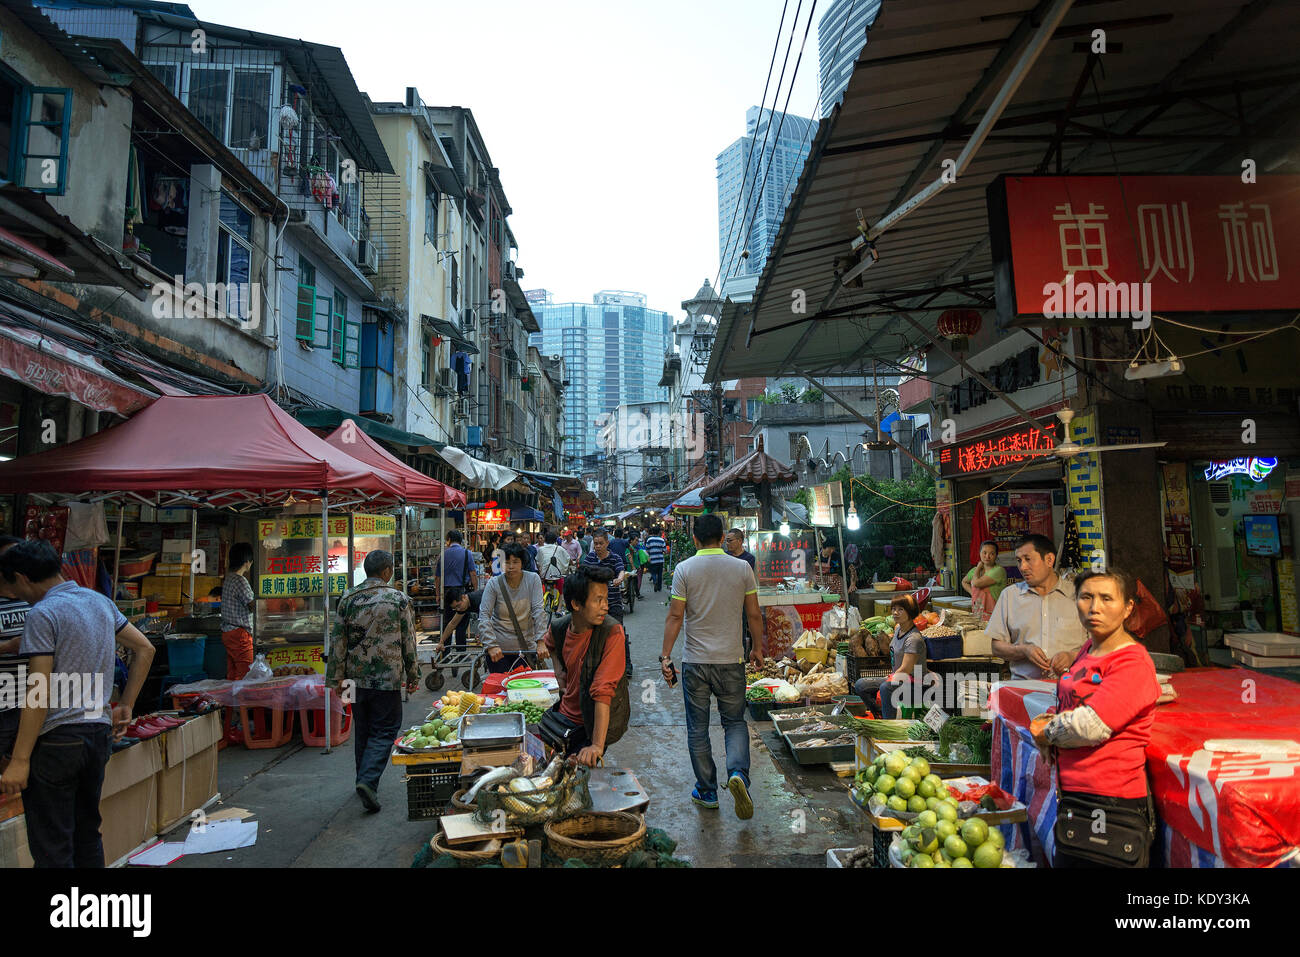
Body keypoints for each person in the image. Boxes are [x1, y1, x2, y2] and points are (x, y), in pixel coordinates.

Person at [0, 540, 155, 866]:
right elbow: (145, 650)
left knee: (53, 846)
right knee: (86, 835)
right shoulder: (98, 602)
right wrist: (125, 704)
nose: (14, 595)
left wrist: (20, 759)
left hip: (58, 740)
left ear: (22, 577)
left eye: (11, 587)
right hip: (96, 736)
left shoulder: (43, 613)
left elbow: (38, 688)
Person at [1031, 568, 1160, 868]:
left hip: (1111, 801)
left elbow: (1090, 726)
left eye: (1106, 598)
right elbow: (1068, 702)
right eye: (1086, 597)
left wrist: (1046, 732)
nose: (1094, 607)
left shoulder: (1133, 661)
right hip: (1075, 797)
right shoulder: (1089, 649)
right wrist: (1050, 724)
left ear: (1128, 607)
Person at [661, 514, 765, 819]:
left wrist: (665, 656)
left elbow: (675, 617)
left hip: (695, 661)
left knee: (698, 728)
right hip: (731, 660)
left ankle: (706, 790)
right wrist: (756, 648)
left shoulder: (684, 569)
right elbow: (755, 615)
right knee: (734, 722)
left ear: (695, 539)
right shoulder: (742, 567)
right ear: (722, 538)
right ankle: (738, 775)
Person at [327, 549, 418, 814]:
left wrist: (336, 679)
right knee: (386, 729)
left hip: (353, 679)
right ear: (388, 571)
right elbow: (409, 642)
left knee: (363, 729)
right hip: (386, 679)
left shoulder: (348, 598)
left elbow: (338, 642)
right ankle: (367, 780)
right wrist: (413, 675)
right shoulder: (398, 599)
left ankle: (363, 781)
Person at [544, 565, 628, 766]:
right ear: (576, 604)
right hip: (563, 718)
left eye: (606, 599)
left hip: (591, 724)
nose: (605, 607)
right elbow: (550, 644)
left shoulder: (612, 633)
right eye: (598, 600)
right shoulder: (559, 626)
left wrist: (596, 746)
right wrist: (559, 672)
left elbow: (603, 691)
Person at [986, 534, 1087, 681]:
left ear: (1049, 560)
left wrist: (1072, 656)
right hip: (1024, 691)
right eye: (1019, 561)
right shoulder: (1009, 596)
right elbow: (996, 647)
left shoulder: (1078, 596)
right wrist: (1024, 650)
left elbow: (1099, 646)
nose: (1022, 567)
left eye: (1028, 559)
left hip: (1072, 689)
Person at [855, 593, 928, 718]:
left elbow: (905, 670)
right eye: (894, 609)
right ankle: (880, 714)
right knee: (861, 685)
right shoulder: (899, 629)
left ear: (910, 612)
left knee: (885, 688)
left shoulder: (913, 639)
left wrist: (888, 681)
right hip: (898, 679)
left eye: (901, 609)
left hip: (915, 685)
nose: (895, 613)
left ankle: (889, 724)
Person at [479, 544, 548, 674]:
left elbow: (538, 611)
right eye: (507, 562)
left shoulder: (533, 579)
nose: (511, 566)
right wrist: (491, 645)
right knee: (499, 691)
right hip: (498, 651)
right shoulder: (494, 583)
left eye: (515, 562)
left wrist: (541, 641)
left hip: (526, 649)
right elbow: (484, 615)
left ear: (522, 563)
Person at [436, 530, 478, 652]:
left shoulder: (442, 555)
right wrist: (474, 591)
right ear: (461, 541)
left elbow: (437, 577)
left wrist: (438, 594)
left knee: (447, 623)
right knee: (461, 625)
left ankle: (445, 652)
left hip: (446, 594)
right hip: (461, 593)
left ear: (448, 540)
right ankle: (461, 654)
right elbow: (473, 574)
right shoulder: (467, 553)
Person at [220, 542, 256, 680]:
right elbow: (252, 605)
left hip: (228, 632)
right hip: (240, 635)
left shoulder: (229, 578)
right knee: (245, 675)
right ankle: (243, 702)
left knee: (233, 674)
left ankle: (232, 702)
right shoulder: (241, 581)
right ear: (247, 562)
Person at [962, 539, 1008, 624]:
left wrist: (979, 567)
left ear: (996, 555)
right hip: (978, 614)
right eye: (984, 553)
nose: (987, 556)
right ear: (979, 553)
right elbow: (964, 582)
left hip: (995, 615)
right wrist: (973, 593)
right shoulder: (974, 571)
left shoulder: (999, 571)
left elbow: (976, 583)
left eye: (992, 553)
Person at [437, 587, 482, 651]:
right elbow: (452, 624)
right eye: (455, 608)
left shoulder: (478, 600)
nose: (458, 609)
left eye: (458, 606)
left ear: (463, 597)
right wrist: (441, 642)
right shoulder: (463, 605)